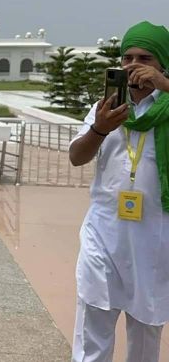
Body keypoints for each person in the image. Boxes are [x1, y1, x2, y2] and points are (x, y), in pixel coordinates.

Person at [69, 21, 169, 362]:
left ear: (162, 65)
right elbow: (76, 157)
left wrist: (166, 87)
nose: (132, 65)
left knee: (145, 336)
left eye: (145, 58)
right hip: (103, 236)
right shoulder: (106, 108)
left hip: (154, 241)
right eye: (126, 57)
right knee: (92, 331)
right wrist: (99, 128)